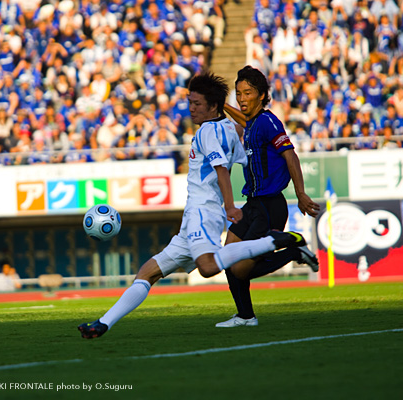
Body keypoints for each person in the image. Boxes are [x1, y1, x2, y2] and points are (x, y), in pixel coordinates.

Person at [78, 72, 308, 339]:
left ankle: (276, 241)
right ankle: (103, 323)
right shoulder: (231, 129)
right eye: (190, 102)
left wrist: (230, 206)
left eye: (197, 103)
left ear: (213, 106)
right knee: (147, 273)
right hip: (192, 218)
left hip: (203, 211)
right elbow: (245, 147)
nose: (191, 109)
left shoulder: (207, 131)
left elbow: (221, 169)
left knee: (208, 268)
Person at [219, 66, 320, 328]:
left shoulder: (267, 121)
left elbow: (290, 155)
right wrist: (223, 106)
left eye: (247, 93)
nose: (241, 98)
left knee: (240, 268)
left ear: (262, 95)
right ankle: (245, 316)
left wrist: (300, 193)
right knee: (227, 257)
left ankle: (292, 250)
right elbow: (245, 121)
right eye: (238, 93)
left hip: (269, 205)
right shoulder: (253, 122)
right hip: (252, 204)